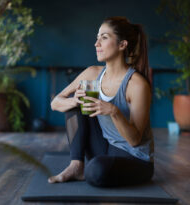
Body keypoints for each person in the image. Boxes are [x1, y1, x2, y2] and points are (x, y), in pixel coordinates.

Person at [48, 16, 154, 187]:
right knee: (74, 106)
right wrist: (75, 101)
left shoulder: (137, 85)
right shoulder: (92, 73)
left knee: (96, 171)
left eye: (104, 38)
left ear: (122, 45)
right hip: (105, 147)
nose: (96, 43)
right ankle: (76, 165)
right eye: (97, 38)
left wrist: (113, 111)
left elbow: (135, 140)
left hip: (135, 158)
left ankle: (91, 169)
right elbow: (55, 103)